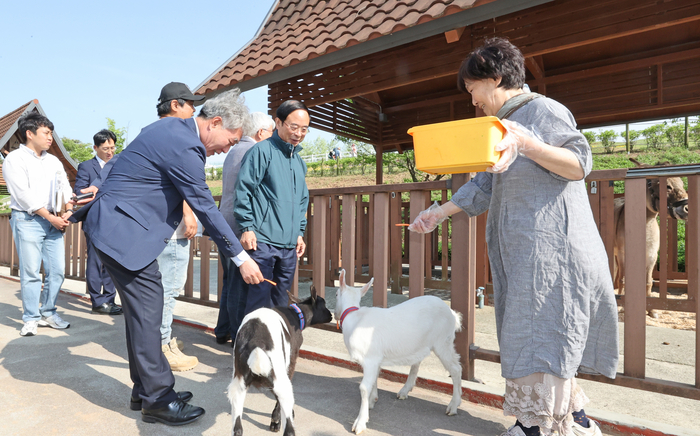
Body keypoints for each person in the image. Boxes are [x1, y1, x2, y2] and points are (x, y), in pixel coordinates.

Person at [408, 38, 618, 436]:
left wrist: (526, 143)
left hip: (555, 253)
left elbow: (579, 164)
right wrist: (436, 214)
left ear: (495, 77)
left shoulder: (544, 110)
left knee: (543, 335)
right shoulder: (500, 126)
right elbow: (483, 185)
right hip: (528, 253)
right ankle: (565, 417)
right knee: (534, 334)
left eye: (473, 91)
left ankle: (538, 426)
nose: (473, 102)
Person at [72, 88, 264, 426]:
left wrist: (102, 188)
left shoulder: (165, 128)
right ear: (215, 123)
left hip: (115, 227)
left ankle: (143, 390)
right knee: (149, 311)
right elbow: (204, 204)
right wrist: (240, 258)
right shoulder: (185, 144)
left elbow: (124, 161)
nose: (226, 149)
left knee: (141, 314)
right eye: (230, 141)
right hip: (123, 234)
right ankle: (158, 399)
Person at [233, 100, 310, 321]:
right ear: (278, 122)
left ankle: (274, 349)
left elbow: (302, 200)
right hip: (262, 242)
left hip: (288, 246)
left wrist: (299, 232)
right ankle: (249, 350)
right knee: (257, 301)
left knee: (281, 302)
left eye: (304, 129)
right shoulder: (261, 151)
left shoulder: (298, 161)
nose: (299, 133)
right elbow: (243, 190)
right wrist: (246, 227)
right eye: (293, 126)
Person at [3, 112, 73, 336]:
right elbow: (22, 195)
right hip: (28, 220)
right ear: (29, 133)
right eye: (46, 133)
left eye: (51, 133)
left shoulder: (53, 160)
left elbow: (65, 188)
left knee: (57, 271)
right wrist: (50, 216)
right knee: (31, 271)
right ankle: (31, 317)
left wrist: (68, 211)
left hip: (54, 220)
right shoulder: (15, 159)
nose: (50, 137)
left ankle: (48, 312)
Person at [153, 82, 205, 371]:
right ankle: (161, 346)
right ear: (175, 105)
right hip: (170, 229)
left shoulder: (152, 134)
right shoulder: (175, 135)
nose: (194, 111)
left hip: (156, 227)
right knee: (169, 288)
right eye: (190, 105)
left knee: (163, 288)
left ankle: (163, 338)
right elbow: (180, 180)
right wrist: (189, 213)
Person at [214, 112, 275, 345]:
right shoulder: (255, 150)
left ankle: (223, 330)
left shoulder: (234, 149)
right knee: (240, 285)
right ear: (261, 133)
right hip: (240, 226)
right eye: (271, 132)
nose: (272, 136)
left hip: (224, 222)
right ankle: (240, 338)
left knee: (230, 281)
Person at [74, 129, 122, 315]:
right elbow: (80, 192)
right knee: (95, 261)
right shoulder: (86, 167)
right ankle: (97, 301)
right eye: (105, 148)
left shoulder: (120, 165)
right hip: (95, 219)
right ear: (95, 148)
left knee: (112, 261)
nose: (110, 152)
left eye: (112, 147)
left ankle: (110, 299)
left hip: (116, 221)